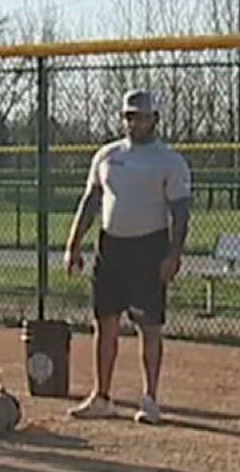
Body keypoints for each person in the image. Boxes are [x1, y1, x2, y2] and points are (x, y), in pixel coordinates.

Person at [62, 89, 193, 425]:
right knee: (104, 322)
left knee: (149, 326)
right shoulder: (106, 155)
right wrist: (74, 244)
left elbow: (180, 212)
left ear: (155, 120)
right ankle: (102, 396)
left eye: (141, 116)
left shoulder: (169, 161)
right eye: (129, 116)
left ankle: (150, 399)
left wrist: (173, 255)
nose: (134, 122)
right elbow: (91, 201)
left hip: (149, 248)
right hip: (111, 248)